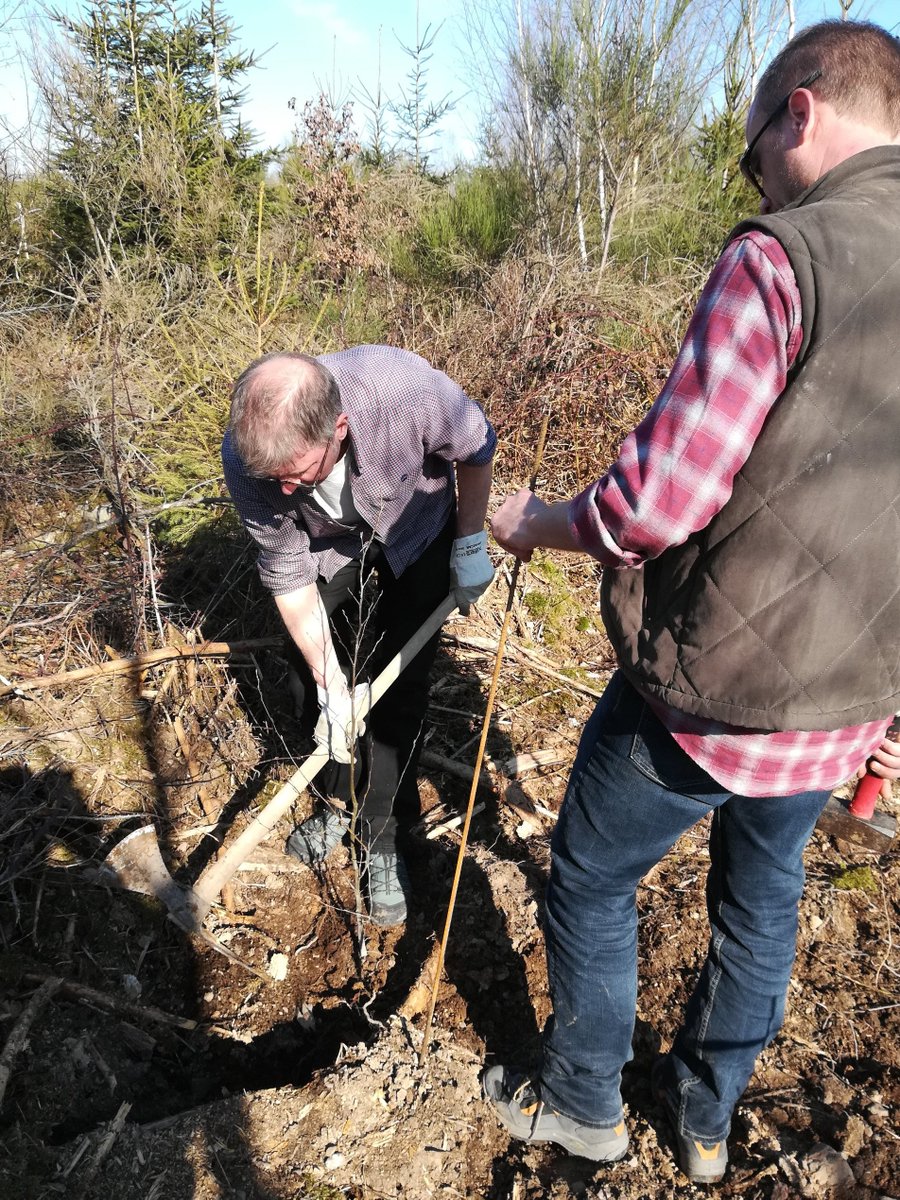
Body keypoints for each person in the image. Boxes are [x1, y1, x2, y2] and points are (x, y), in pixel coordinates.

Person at [483, 20, 900, 1184]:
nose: (756, 172)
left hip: (725, 694)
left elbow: (654, 505)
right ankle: (707, 1122)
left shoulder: (784, 258)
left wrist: (540, 524)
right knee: (763, 893)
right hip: (855, 699)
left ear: (801, 112)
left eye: (755, 147)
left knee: (591, 872)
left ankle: (583, 1108)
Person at [223, 345, 496, 926]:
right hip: (327, 550)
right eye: (277, 481)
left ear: (339, 427)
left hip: (415, 529)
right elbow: (287, 572)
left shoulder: (400, 392)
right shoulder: (250, 460)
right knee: (309, 689)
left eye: (298, 474)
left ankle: (383, 836)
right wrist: (330, 683)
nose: (287, 492)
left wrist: (470, 540)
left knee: (400, 695)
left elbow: (477, 444)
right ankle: (335, 799)